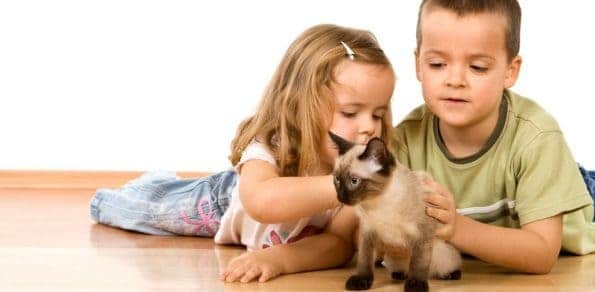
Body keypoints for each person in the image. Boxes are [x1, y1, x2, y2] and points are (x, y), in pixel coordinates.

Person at [397, 0, 595, 274]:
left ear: (510, 71)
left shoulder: (537, 138)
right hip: (527, 193)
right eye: (437, 64)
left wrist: (457, 229)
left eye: (478, 68)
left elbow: (541, 254)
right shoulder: (406, 138)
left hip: (570, 207)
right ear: (417, 65)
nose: (455, 79)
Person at [90, 23, 398, 283]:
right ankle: (145, 187)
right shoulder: (274, 145)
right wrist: (343, 185)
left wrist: (278, 260)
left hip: (268, 232)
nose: (368, 128)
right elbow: (262, 202)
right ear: (302, 105)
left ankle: (161, 183)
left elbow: (338, 243)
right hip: (221, 202)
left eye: (377, 114)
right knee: (142, 210)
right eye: (350, 112)